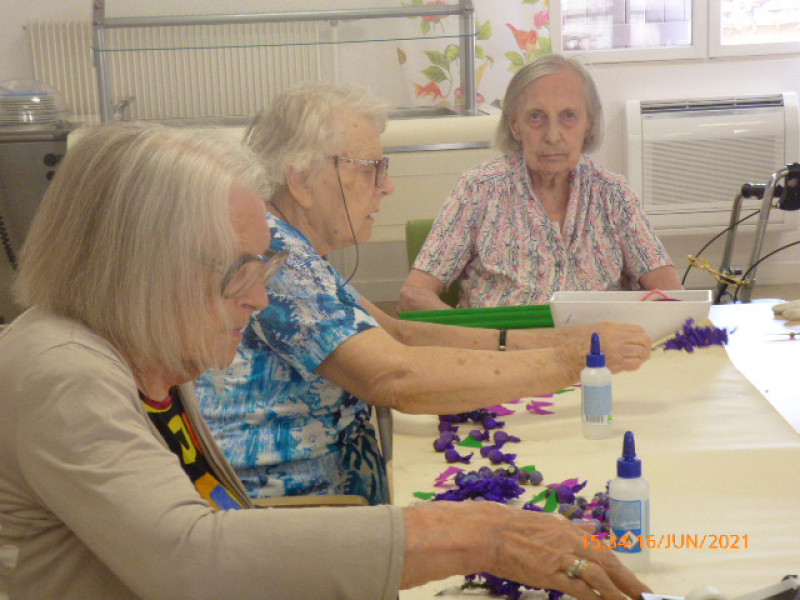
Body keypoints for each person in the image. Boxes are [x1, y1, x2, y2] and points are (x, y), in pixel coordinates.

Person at [0, 121, 651, 600]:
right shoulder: (62, 369)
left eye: (267, 267)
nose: (258, 299)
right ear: (143, 270)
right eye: (240, 274)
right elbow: (188, 559)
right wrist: (475, 534)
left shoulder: (147, 356)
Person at [196, 82, 651, 507]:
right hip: (296, 512)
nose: (387, 185)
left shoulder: (290, 244)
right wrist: (572, 362)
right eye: (372, 168)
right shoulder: (278, 257)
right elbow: (395, 378)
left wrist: (569, 342)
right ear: (300, 181)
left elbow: (397, 333)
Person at [398, 53, 682, 312]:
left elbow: (672, 295)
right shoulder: (479, 189)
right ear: (514, 125)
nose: (553, 135)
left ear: (589, 124)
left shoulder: (614, 193)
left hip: (596, 355)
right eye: (536, 117)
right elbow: (414, 296)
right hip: (500, 356)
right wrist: (479, 339)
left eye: (568, 116)